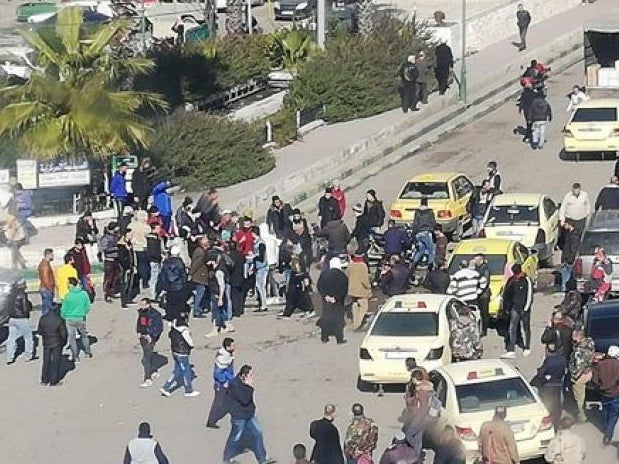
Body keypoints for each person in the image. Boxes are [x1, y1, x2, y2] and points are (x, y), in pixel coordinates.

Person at [223, 365, 275, 464]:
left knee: (258, 433)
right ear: (243, 376)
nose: (252, 378)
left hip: (249, 414)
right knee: (235, 437)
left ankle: (262, 459)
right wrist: (249, 387)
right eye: (250, 375)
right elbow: (245, 399)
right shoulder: (235, 385)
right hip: (239, 417)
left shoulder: (240, 382)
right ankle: (227, 458)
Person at [160, 313, 199, 397]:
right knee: (186, 371)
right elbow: (189, 341)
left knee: (177, 371)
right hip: (183, 352)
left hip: (175, 351)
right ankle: (188, 390)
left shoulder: (174, 328)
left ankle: (166, 387)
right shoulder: (184, 329)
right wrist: (192, 345)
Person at [501, 263, 534, 359]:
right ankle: (511, 350)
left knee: (526, 328)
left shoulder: (526, 280)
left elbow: (530, 295)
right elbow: (507, 294)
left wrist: (526, 308)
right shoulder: (511, 280)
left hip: (524, 308)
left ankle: (527, 347)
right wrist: (506, 308)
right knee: (512, 328)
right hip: (515, 308)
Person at [533, 343, 567, 426]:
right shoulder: (562, 360)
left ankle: (549, 422)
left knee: (548, 404)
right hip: (558, 384)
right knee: (557, 403)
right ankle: (557, 420)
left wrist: (544, 378)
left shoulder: (548, 361)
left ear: (547, 351)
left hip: (548, 385)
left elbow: (540, 373)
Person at [592, 345, 619, 445]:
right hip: (615, 394)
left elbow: (594, 380)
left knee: (606, 412)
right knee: (613, 415)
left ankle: (606, 428)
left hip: (604, 394)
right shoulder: (618, 365)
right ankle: (608, 435)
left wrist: (600, 387)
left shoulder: (600, 365)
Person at [317, 258, 348, 344]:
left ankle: (324, 337)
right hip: (337, 302)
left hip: (326, 300)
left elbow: (319, 286)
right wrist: (336, 297)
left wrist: (325, 295)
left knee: (326, 318)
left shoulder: (324, 274)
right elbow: (344, 288)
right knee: (338, 320)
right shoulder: (342, 275)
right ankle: (339, 339)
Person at [61, 277, 92, 363]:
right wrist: (83, 313)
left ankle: (76, 356)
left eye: (67, 283)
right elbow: (88, 306)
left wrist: (63, 316)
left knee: (72, 337)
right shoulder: (83, 294)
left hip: (69, 318)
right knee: (84, 335)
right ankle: (88, 352)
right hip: (80, 317)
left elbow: (63, 309)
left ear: (71, 285)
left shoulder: (67, 296)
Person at [206, 337, 235, 429]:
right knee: (218, 403)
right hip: (222, 385)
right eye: (232, 346)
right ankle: (211, 421)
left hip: (228, 381)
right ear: (227, 347)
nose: (234, 347)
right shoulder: (223, 357)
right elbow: (218, 373)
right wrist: (225, 381)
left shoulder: (226, 353)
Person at [205, 249, 234, 337]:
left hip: (217, 294)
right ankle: (228, 325)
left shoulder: (219, 272)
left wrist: (221, 298)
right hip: (216, 293)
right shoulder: (218, 268)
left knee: (215, 312)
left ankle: (214, 330)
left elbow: (222, 285)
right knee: (221, 311)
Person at [5, 280, 35, 364]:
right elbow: (25, 307)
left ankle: (9, 358)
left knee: (11, 338)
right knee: (28, 337)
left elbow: (7, 307)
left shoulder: (9, 295)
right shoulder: (22, 295)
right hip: (21, 318)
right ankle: (28, 356)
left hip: (12, 318)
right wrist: (27, 314)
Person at [37, 303, 68, 386]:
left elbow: (39, 331)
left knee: (46, 361)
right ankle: (54, 381)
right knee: (55, 361)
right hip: (57, 343)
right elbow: (64, 334)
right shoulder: (59, 319)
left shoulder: (43, 318)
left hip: (46, 342)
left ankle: (44, 380)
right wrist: (63, 342)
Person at [136, 298, 164, 388]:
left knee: (145, 359)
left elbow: (159, 328)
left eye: (143, 304)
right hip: (143, 337)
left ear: (148, 305)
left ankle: (147, 378)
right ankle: (154, 371)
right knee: (148, 355)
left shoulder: (155, 314)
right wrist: (139, 332)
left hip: (150, 338)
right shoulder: (141, 312)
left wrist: (151, 335)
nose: (141, 306)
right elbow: (140, 323)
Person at [569, 329, 595, 422]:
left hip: (580, 376)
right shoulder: (590, 342)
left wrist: (574, 377)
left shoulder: (578, 351)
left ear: (579, 337)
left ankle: (582, 416)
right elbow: (591, 356)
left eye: (574, 336)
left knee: (579, 397)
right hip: (589, 371)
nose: (572, 338)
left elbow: (578, 367)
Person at [157, 245, 188, 321]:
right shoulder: (180, 262)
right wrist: (184, 284)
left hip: (169, 285)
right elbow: (183, 275)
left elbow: (163, 275)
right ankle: (177, 315)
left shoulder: (166, 262)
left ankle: (169, 315)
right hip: (179, 285)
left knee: (170, 301)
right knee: (178, 302)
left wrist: (163, 285)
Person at [346, 253, 372, 331]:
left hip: (352, 290)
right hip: (361, 291)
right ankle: (359, 323)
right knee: (364, 307)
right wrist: (369, 286)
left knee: (355, 306)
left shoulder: (350, 265)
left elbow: (348, 276)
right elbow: (364, 280)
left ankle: (355, 323)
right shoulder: (363, 266)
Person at [411, 196, 436, 267]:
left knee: (421, 250)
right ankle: (430, 266)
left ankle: (414, 263)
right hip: (427, 233)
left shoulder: (417, 212)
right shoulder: (430, 212)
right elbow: (433, 222)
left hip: (418, 234)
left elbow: (415, 223)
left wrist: (414, 234)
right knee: (431, 251)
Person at [100, 221, 120, 303]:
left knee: (115, 277)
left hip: (116, 259)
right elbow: (104, 248)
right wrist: (116, 248)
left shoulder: (115, 236)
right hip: (109, 260)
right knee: (108, 278)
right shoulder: (106, 238)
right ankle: (106, 294)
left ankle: (112, 291)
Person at [118, 229, 139, 309]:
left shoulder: (129, 244)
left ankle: (128, 298)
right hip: (124, 268)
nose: (132, 236)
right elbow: (122, 258)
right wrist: (126, 267)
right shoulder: (121, 245)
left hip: (131, 266)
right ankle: (123, 302)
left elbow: (132, 256)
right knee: (124, 284)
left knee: (130, 284)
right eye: (130, 234)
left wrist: (133, 265)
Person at [190, 235, 210, 318]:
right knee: (199, 293)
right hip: (199, 275)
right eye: (205, 239)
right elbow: (196, 264)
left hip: (200, 275)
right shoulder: (200, 252)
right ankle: (196, 310)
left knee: (200, 293)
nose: (207, 240)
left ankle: (199, 308)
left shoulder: (202, 250)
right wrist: (191, 274)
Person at [559, 221, 580, 292]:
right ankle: (565, 288)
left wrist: (569, 260)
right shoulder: (568, 234)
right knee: (566, 275)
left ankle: (565, 288)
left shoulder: (574, 236)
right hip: (566, 258)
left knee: (567, 275)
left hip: (568, 260)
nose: (564, 226)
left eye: (566, 224)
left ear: (570, 225)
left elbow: (573, 249)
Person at [473, 254, 491, 336]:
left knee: (484, 313)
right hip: (478, 294)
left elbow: (484, 282)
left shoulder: (485, 270)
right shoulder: (476, 268)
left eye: (476, 260)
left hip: (483, 295)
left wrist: (478, 292)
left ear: (481, 260)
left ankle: (484, 330)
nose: (474, 262)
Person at [146, 223, 163, 300]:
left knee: (156, 277)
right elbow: (153, 252)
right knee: (154, 278)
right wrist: (159, 256)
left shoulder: (156, 238)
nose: (159, 229)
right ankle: (152, 295)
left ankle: (155, 293)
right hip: (154, 260)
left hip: (157, 260)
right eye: (158, 228)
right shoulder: (152, 239)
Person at [38, 248, 55, 316]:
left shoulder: (44, 264)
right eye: (52, 254)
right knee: (47, 310)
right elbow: (46, 279)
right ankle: (46, 324)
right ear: (48, 255)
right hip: (46, 289)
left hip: (45, 288)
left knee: (46, 307)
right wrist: (50, 290)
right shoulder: (45, 265)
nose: (53, 256)